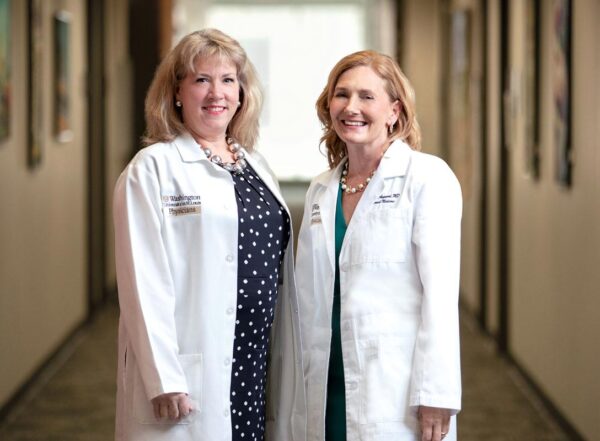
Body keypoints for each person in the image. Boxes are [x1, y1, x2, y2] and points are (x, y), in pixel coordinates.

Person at [113, 29, 305, 441]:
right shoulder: (152, 169)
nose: (216, 92)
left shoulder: (256, 166)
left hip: (253, 358)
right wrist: (163, 376)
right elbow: (141, 282)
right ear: (177, 92)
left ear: (241, 93)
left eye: (228, 80)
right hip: (190, 368)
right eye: (201, 79)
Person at [296, 50, 462, 441]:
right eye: (342, 94)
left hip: (398, 389)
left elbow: (440, 296)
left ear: (394, 111)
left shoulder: (425, 178)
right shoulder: (321, 190)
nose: (351, 107)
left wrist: (436, 392)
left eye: (367, 97)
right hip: (325, 383)